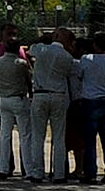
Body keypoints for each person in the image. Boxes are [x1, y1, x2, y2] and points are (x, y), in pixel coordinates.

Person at [24, 28, 77, 183]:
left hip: (40, 93)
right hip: (58, 95)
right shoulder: (67, 57)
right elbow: (67, 73)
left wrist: (44, 39)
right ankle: (59, 173)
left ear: (56, 36)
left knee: (38, 136)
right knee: (59, 136)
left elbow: (30, 49)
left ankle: (37, 172)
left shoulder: (41, 49)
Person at [74, 30, 105, 182]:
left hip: (90, 101)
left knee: (90, 139)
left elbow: (79, 75)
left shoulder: (86, 59)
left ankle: (91, 172)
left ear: (95, 45)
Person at [0, 36, 34, 177]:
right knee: (25, 135)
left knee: (5, 135)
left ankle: (3, 168)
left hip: (3, 99)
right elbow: (28, 80)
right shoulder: (21, 63)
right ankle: (29, 169)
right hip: (18, 98)